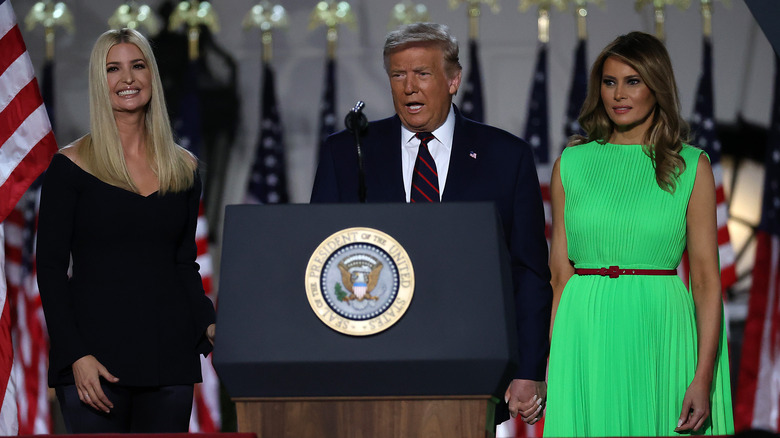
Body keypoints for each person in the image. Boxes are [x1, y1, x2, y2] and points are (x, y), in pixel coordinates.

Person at [310, 22, 551, 425]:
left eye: (422, 73)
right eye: (398, 75)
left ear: (453, 80)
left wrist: (529, 370)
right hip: (369, 365)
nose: (409, 87)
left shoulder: (506, 156)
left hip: (473, 364)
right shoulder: (348, 153)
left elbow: (528, 272)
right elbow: (319, 257)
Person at [544, 31, 734, 436]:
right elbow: (559, 275)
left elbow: (704, 281)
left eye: (633, 81)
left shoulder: (689, 166)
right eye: (609, 82)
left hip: (660, 331)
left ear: (656, 87)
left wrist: (703, 378)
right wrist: (551, 364)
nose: (618, 94)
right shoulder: (571, 164)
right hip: (584, 334)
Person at [36, 28, 216, 433]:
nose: (128, 79)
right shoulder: (69, 167)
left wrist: (209, 323)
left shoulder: (183, 167)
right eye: (113, 69)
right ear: (100, 82)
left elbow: (183, 263)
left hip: (169, 359)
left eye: (137, 66)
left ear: (152, 75)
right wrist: (75, 355)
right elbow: (49, 270)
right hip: (94, 364)